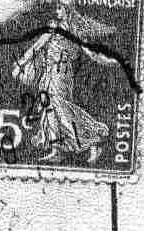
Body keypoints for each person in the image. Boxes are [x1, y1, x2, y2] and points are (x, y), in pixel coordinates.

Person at [9, 0, 119, 163]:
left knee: (62, 110)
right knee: (50, 110)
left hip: (62, 76)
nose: (57, 11)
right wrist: (21, 63)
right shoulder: (53, 26)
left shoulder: (76, 32)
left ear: (68, 11)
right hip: (49, 74)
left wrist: (110, 61)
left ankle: (93, 140)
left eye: (60, 8)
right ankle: (57, 149)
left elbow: (92, 53)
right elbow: (36, 47)